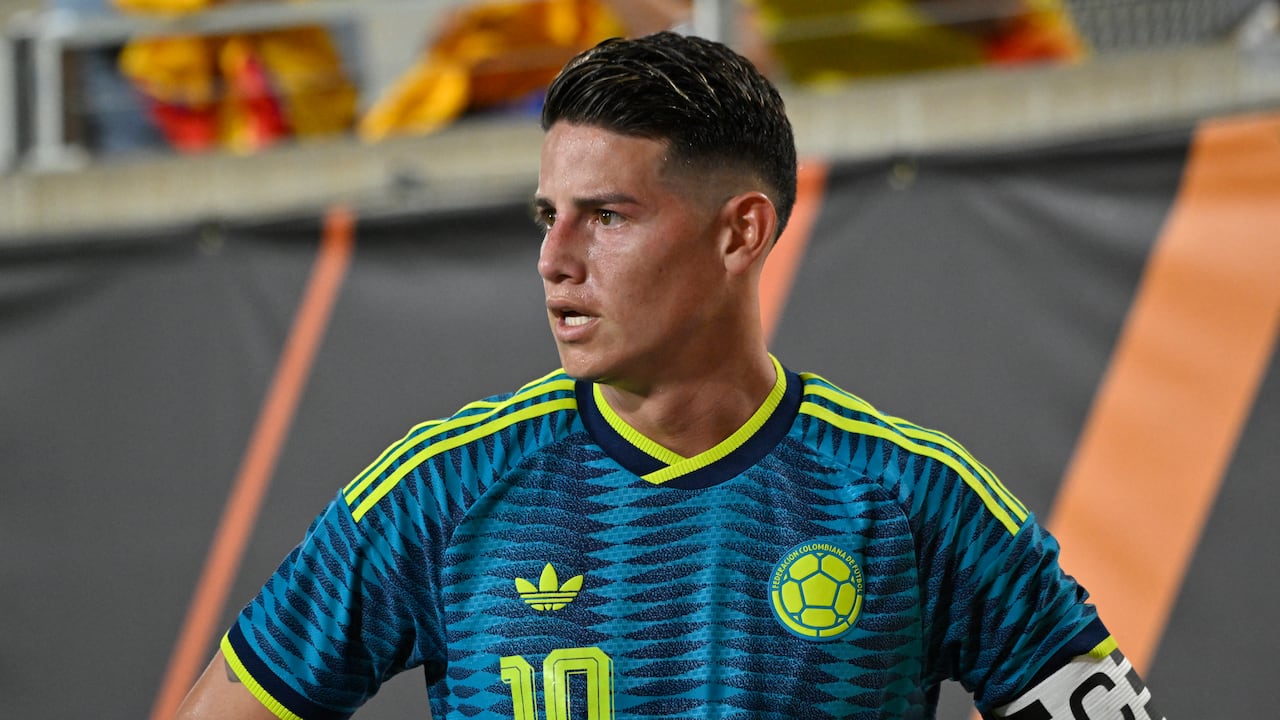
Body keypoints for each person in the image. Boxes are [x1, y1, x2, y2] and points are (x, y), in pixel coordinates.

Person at [176, 31, 1164, 719]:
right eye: (544, 216)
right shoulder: (439, 491)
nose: (554, 259)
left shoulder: (915, 500)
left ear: (740, 231)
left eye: (605, 216)